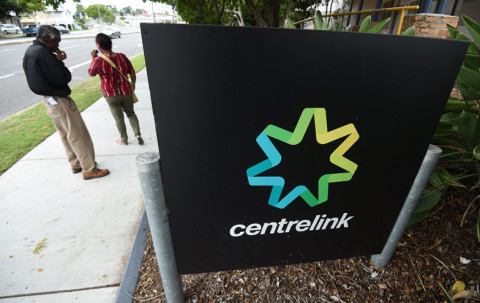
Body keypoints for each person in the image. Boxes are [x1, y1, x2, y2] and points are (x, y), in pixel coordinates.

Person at [23, 25, 110, 180]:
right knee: (78, 134)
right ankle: (89, 169)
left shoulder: (30, 51)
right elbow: (63, 78)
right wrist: (60, 62)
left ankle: (76, 163)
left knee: (65, 133)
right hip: (60, 99)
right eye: (57, 41)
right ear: (49, 38)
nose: (58, 45)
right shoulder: (45, 54)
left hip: (49, 100)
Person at [88, 33, 143, 146]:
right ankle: (138, 135)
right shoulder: (122, 56)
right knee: (131, 113)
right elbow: (132, 73)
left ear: (98, 45)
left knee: (119, 118)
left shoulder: (98, 60)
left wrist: (93, 59)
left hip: (110, 93)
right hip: (126, 91)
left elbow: (91, 73)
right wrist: (133, 85)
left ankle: (124, 140)